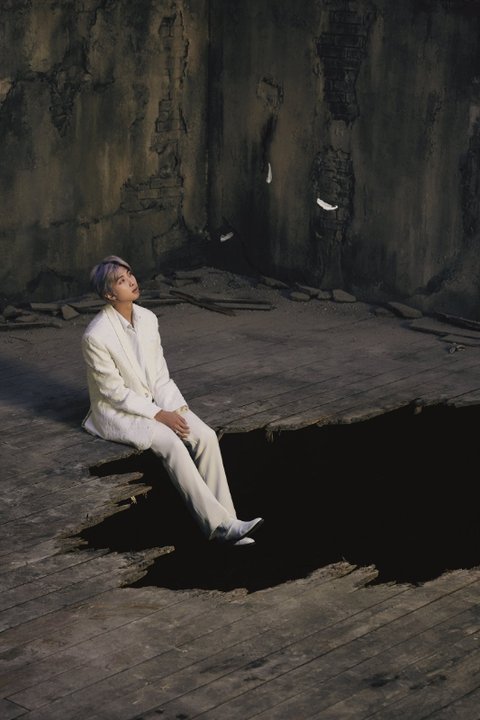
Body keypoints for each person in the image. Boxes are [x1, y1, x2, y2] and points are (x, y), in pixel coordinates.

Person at [81, 255, 263, 546]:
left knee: (205, 436)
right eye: (121, 281)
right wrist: (159, 415)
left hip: (158, 401)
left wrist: (175, 410)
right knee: (172, 444)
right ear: (109, 294)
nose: (131, 282)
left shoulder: (148, 319)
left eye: (130, 275)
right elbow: (114, 393)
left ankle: (230, 523)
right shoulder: (95, 336)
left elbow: (160, 375)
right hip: (118, 411)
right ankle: (218, 527)